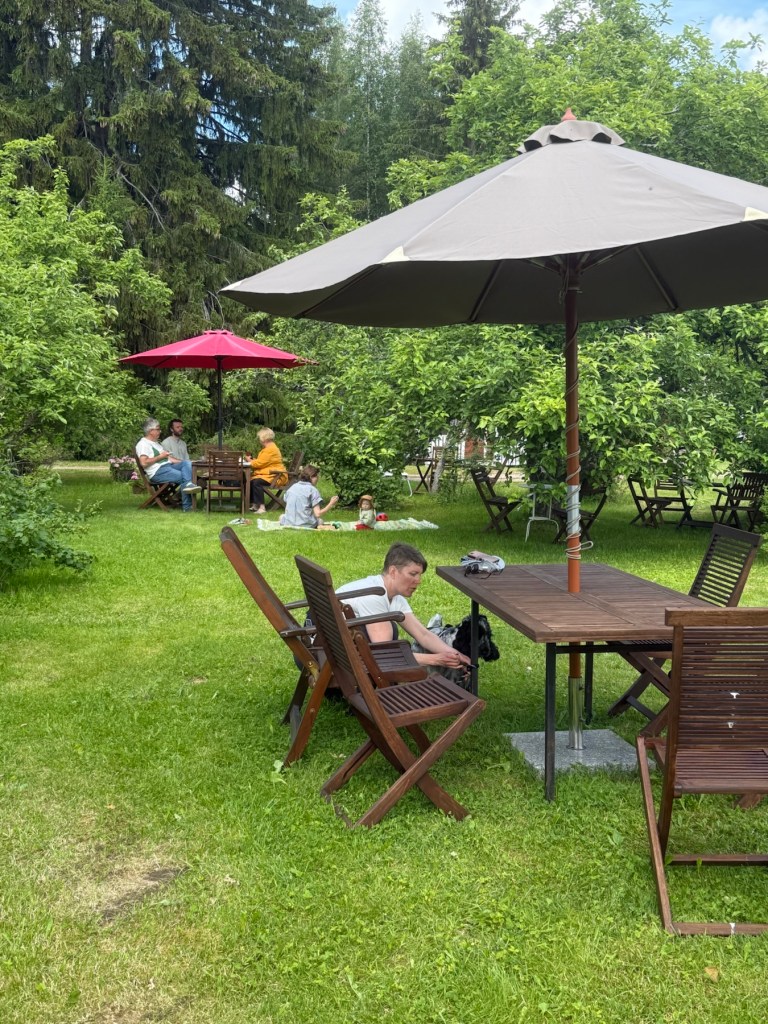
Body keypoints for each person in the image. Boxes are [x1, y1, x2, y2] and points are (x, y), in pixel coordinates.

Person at [336, 543, 471, 673]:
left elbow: (423, 635)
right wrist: (435, 660)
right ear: (393, 571)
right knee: (390, 629)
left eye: (419, 575)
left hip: (339, 653)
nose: (418, 580)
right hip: (343, 661)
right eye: (413, 574)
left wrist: (457, 655)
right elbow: (385, 654)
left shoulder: (393, 597)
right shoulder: (374, 595)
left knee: (390, 629)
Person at [135, 418, 201, 512]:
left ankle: (188, 486)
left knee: (186, 463)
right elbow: (144, 463)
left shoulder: (156, 444)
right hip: (157, 472)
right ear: (151, 431)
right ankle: (187, 507)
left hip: (168, 467)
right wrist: (160, 457)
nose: (160, 431)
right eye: (158, 429)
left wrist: (187, 463)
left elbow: (169, 459)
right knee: (185, 476)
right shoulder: (143, 444)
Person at [282, 464, 338, 528]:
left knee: (281, 517)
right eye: (317, 477)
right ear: (311, 477)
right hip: (305, 524)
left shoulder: (292, 487)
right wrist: (331, 503)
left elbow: (287, 501)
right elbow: (318, 514)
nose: (318, 479)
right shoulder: (313, 490)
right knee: (320, 521)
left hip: (289, 523)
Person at [248, 427, 288, 514]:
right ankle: (255, 504)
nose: (259, 439)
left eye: (260, 437)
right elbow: (263, 462)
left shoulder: (270, 449)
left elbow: (259, 463)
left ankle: (262, 508)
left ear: (264, 438)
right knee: (251, 481)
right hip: (271, 475)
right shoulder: (269, 448)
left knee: (256, 482)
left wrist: (250, 461)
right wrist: (253, 460)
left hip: (276, 476)